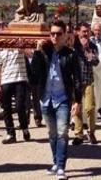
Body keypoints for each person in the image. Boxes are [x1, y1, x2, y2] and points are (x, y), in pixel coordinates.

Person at [29, 20, 82, 180]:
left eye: (59, 34)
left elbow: (78, 79)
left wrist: (77, 101)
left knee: (62, 132)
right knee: (52, 134)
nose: (55, 36)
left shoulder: (71, 54)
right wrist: (37, 53)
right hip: (46, 99)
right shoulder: (44, 52)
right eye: (52, 33)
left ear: (65, 35)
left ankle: (61, 166)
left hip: (62, 99)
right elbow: (33, 76)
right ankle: (55, 163)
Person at [0, 48, 31, 144]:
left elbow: (30, 54)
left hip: (20, 80)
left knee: (20, 107)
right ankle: (10, 134)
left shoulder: (19, 46)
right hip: (5, 81)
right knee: (6, 109)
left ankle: (24, 127)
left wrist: (22, 49)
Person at [72, 23, 99, 145]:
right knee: (77, 108)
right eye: (83, 31)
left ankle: (91, 132)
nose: (86, 34)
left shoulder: (92, 46)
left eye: (88, 31)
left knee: (90, 108)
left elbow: (96, 62)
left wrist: (87, 50)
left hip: (88, 80)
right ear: (78, 32)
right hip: (75, 81)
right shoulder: (73, 45)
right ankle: (79, 134)